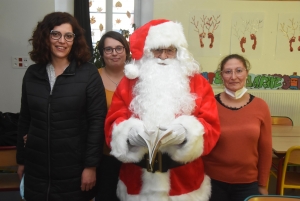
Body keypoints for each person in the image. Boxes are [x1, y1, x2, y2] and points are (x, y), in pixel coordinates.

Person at [104, 19, 221, 200]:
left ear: (179, 52)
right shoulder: (129, 83)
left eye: (170, 50)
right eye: (157, 50)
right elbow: (113, 122)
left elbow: (212, 127)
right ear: (148, 52)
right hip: (137, 184)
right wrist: (129, 134)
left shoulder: (199, 84)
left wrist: (187, 134)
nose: (163, 56)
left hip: (183, 185)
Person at [16, 12, 107, 201]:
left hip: (74, 168)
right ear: (45, 37)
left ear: (75, 40)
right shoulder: (32, 74)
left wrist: (91, 166)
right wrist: (21, 160)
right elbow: (25, 118)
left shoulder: (88, 73)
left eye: (68, 36)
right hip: (36, 167)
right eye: (55, 34)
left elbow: (97, 122)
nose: (62, 41)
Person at [203, 54, 272, 201]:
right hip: (213, 182)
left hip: (248, 183)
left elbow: (265, 149)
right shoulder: (209, 105)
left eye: (239, 70)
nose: (233, 76)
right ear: (222, 76)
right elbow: (201, 145)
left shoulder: (261, 106)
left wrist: (263, 184)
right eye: (228, 72)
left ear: (246, 73)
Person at [95, 31, 130, 201]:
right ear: (102, 53)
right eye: (108, 49)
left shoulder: (137, 78)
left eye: (118, 48)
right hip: (103, 154)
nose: (114, 53)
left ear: (126, 50)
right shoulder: (93, 77)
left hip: (133, 154)